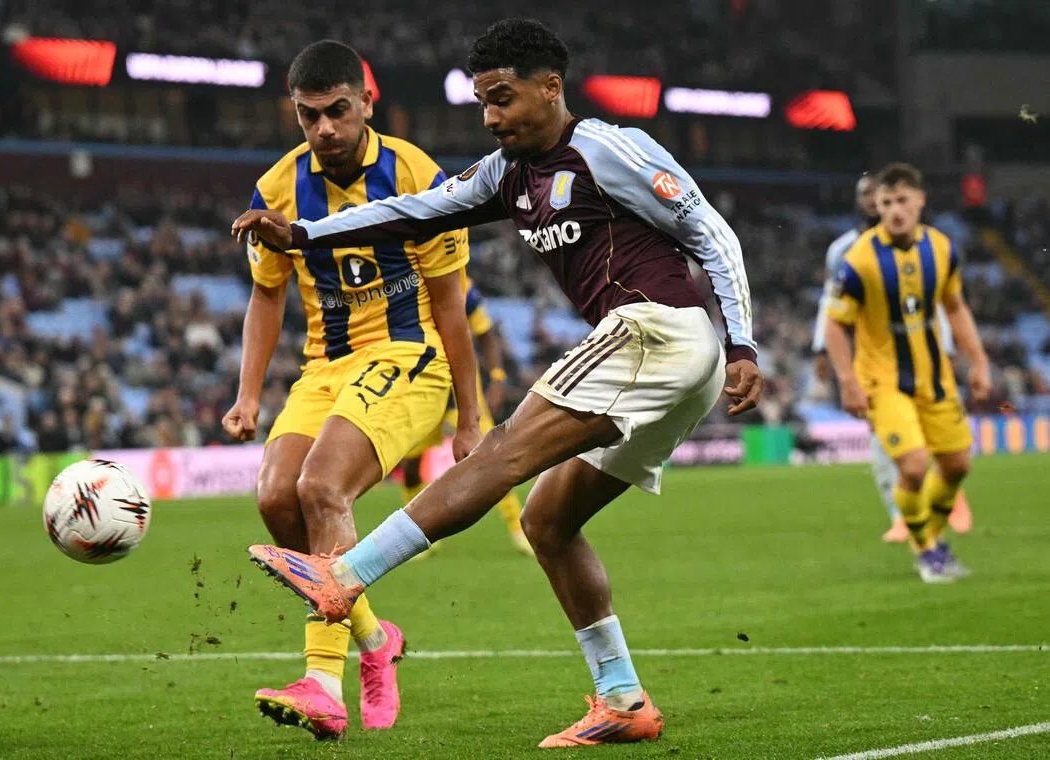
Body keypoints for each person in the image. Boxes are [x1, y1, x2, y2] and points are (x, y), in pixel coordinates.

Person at [236, 19, 761, 748]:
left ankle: (345, 576)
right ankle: (621, 697)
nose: (490, 117)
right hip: (666, 359)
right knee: (548, 520)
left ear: (552, 88)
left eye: (504, 98)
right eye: (482, 101)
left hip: (657, 330)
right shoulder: (507, 174)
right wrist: (304, 236)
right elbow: (411, 213)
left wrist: (743, 341)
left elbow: (711, 232)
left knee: (500, 451)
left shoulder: (608, 148)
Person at [220, 40, 482, 740]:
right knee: (277, 498)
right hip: (325, 366)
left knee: (320, 489)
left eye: (338, 111)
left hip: (409, 353)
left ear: (367, 103)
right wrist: (248, 394)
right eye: (309, 116)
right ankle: (374, 641)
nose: (324, 129)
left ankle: (321, 684)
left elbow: (450, 301)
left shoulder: (416, 174)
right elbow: (267, 297)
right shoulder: (275, 188)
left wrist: (470, 416)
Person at [823, 162, 990, 583]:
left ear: (920, 200)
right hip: (884, 381)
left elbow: (956, 308)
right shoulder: (859, 260)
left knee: (957, 466)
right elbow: (834, 324)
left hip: (934, 377)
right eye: (886, 203)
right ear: (876, 207)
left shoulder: (942, 248)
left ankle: (931, 541)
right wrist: (847, 381)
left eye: (902, 200)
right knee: (914, 466)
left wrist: (980, 361)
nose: (895, 210)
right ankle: (927, 550)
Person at [402, 273, 533, 558]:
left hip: (463, 384)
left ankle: (519, 530)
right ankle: (414, 537)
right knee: (411, 462)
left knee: (489, 455)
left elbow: (486, 333)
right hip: (424, 381)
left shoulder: (460, 283)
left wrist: (497, 378)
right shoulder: (405, 280)